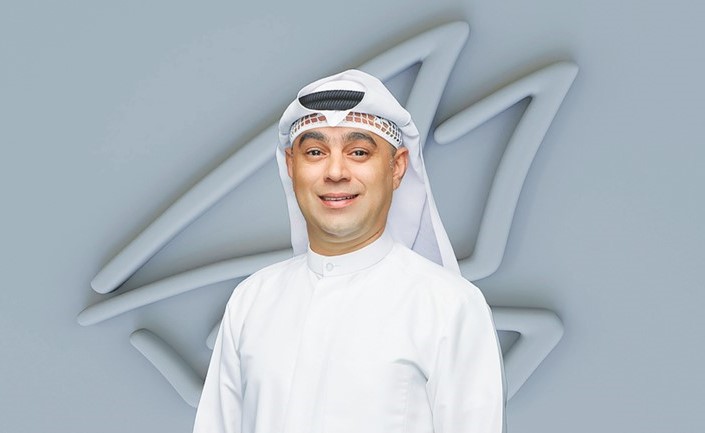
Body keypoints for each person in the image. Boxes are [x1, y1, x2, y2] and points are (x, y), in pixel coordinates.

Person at [193, 70, 505, 433]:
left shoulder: (450, 306)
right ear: (292, 166)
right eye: (315, 152)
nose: (336, 172)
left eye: (358, 152)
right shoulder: (251, 301)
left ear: (397, 167)